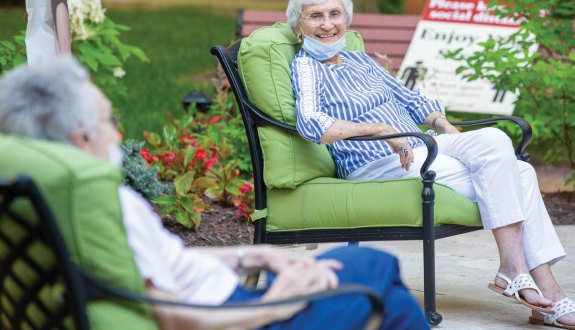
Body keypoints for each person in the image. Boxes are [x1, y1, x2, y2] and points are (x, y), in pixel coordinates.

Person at [0, 58, 430, 330]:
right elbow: (173, 318)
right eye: (109, 119)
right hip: (237, 317)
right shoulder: (101, 200)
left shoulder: (53, 197)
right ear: (80, 136)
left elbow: (161, 267)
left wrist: (257, 256)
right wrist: (277, 304)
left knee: (382, 294)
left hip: (227, 300)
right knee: (375, 269)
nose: (118, 132)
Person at [287, 0, 575, 330]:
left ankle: (521, 278)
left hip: (422, 147)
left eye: (335, 13)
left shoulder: (358, 60)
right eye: (315, 16)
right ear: (298, 24)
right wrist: (380, 130)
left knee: (506, 155)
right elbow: (313, 123)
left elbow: (412, 100)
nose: (328, 24)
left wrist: (443, 125)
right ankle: (543, 291)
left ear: (346, 16)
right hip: (378, 161)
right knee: (517, 171)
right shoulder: (306, 67)